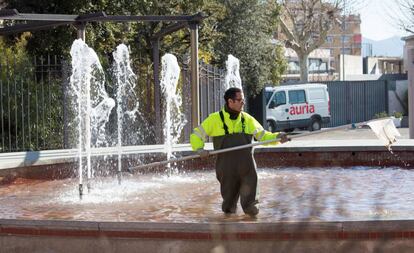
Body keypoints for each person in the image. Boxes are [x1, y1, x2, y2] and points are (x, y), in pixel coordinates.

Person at [190, 87, 289, 216]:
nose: (243, 103)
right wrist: (199, 149)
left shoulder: (247, 119)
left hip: (247, 170)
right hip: (226, 170)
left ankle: (252, 231)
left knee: (252, 208)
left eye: (243, 100)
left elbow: (263, 136)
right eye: (240, 100)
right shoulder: (214, 119)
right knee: (229, 208)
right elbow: (196, 135)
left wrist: (277, 137)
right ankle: (228, 233)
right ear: (230, 101)